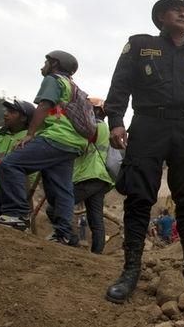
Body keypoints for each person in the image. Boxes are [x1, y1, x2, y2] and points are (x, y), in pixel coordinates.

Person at [104, 0, 184, 303]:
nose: (183, 13)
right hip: (147, 125)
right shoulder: (140, 45)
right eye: (176, 10)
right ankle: (130, 271)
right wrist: (116, 120)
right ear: (161, 17)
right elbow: (120, 84)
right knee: (140, 196)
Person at [0, 51, 87, 244]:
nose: (42, 66)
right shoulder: (73, 86)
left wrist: (30, 134)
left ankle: (16, 215)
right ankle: (64, 233)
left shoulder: (54, 79)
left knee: (9, 165)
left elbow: (44, 106)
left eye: (46, 62)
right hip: (73, 143)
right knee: (62, 188)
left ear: (54, 64)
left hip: (56, 137)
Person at [69, 97, 113, 254]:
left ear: (96, 110)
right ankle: (96, 254)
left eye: (88, 108)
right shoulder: (104, 128)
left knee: (57, 207)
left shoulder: (95, 126)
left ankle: (70, 240)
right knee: (96, 219)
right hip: (100, 177)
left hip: (89, 175)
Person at [0, 100, 35, 217]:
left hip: (13, 192)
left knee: (8, 227)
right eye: (6, 111)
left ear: (24, 118)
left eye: (12, 112)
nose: (5, 114)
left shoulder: (31, 139)